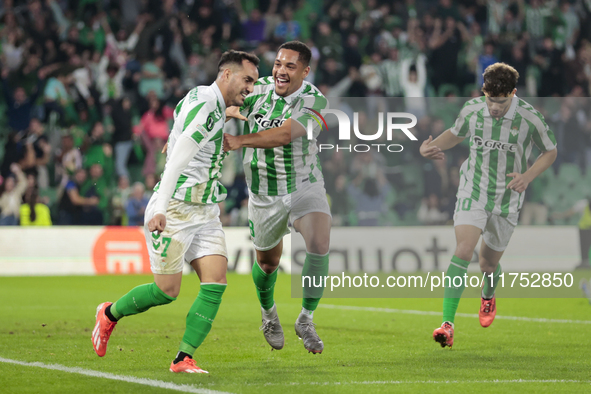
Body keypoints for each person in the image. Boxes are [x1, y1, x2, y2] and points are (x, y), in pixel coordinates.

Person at [92, 50, 259, 374]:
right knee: (165, 291)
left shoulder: (198, 95)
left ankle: (183, 357)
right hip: (177, 208)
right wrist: (158, 206)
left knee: (216, 281)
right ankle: (109, 313)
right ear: (226, 75)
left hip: (206, 208)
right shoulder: (208, 110)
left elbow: (177, 132)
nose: (250, 88)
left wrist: (224, 115)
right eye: (247, 80)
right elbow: (178, 157)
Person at [419, 62, 557, 348]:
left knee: (487, 264)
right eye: (490, 99)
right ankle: (447, 323)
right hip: (474, 189)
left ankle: (488, 292)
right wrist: (430, 147)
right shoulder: (472, 110)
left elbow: (550, 151)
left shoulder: (530, 118)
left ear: (513, 94)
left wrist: (528, 176)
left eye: (501, 101)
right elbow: (456, 133)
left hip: (508, 197)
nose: (494, 107)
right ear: (484, 92)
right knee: (464, 250)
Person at [224, 41, 331, 354]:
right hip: (263, 192)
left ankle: (306, 318)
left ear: (305, 71)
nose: (281, 71)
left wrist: (239, 140)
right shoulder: (257, 90)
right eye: (278, 64)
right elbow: (221, 101)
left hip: (303, 184)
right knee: (267, 264)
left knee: (320, 243)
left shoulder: (315, 100)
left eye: (290, 66)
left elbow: (286, 134)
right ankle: (269, 314)